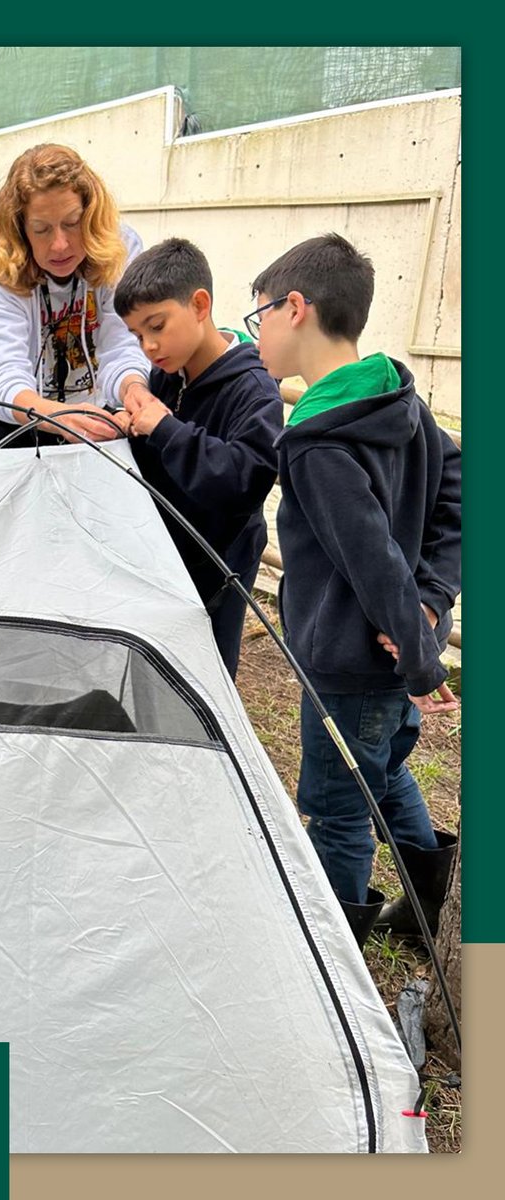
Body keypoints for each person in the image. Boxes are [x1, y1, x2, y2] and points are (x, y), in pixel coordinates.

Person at [249, 232, 461, 946]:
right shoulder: (393, 394)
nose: (258, 334)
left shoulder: (318, 442)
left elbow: (370, 559)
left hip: (350, 663)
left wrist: (421, 651)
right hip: (391, 654)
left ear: (296, 308)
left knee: (336, 803)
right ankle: (430, 898)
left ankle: (334, 951)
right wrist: (429, 609)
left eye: (260, 317)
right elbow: (458, 484)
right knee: (385, 766)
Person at [113, 238, 282, 679]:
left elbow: (244, 481)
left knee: (205, 676)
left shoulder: (254, 389)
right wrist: (128, 429)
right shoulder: (168, 373)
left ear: (200, 304)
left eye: (157, 325)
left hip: (220, 566)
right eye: (137, 335)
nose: (148, 346)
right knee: (153, 667)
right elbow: (156, 452)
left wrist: (166, 430)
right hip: (164, 555)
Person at [0, 144, 155, 449]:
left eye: (72, 224)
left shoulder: (121, 248)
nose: (60, 245)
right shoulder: (1, 268)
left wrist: (133, 387)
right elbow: (6, 375)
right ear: (20, 230)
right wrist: (59, 416)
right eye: (41, 229)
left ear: (91, 214)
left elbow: (122, 344)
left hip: (93, 411)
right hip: (11, 422)